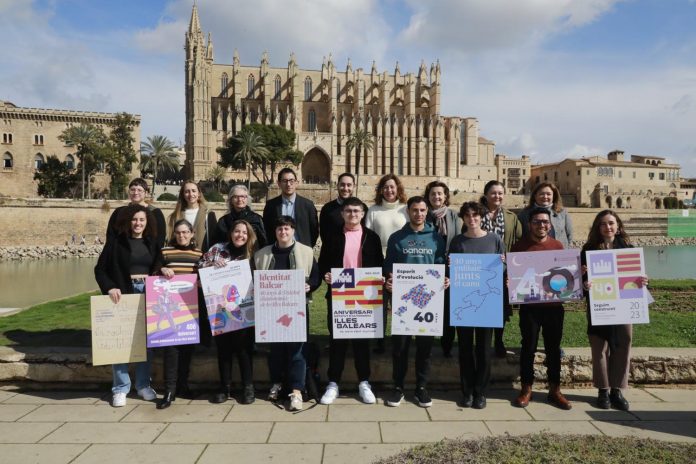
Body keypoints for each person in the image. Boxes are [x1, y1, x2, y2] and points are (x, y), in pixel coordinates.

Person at [317, 197, 384, 405]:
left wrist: (380, 277)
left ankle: (364, 382)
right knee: (337, 340)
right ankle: (333, 383)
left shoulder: (371, 237)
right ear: (342, 213)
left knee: (361, 342)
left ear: (363, 214)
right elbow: (323, 264)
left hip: (364, 296)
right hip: (340, 295)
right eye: (348, 211)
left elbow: (379, 265)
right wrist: (327, 275)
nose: (352, 214)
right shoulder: (332, 236)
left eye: (356, 211)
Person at [383, 196, 448, 408]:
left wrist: (445, 280)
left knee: (424, 348)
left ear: (426, 211)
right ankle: (398, 387)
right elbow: (389, 268)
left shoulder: (437, 239)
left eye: (422, 210)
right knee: (400, 348)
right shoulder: (397, 238)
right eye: (414, 210)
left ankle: (421, 387)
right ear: (408, 211)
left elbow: (440, 268)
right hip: (404, 302)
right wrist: (390, 282)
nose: (418, 214)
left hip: (428, 302)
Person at [94, 204, 160, 407]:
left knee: (146, 343)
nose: (138, 223)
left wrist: (163, 271)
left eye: (141, 220)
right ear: (128, 222)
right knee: (120, 342)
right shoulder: (116, 244)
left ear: (147, 222)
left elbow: (158, 265)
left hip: (147, 294)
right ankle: (120, 388)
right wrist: (110, 287)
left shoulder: (152, 243)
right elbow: (100, 270)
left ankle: (142, 384)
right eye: (134, 220)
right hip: (123, 294)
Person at [581, 210, 647, 411]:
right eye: (603, 224)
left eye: (611, 223)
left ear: (618, 225)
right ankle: (603, 390)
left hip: (623, 307)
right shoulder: (588, 250)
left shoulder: (628, 249)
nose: (607, 227)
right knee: (599, 348)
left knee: (623, 345)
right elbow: (580, 281)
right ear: (597, 227)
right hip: (600, 305)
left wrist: (643, 281)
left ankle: (617, 390)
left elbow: (636, 278)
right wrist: (584, 283)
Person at [254, 216, 321, 411]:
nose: (283, 232)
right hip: (271, 308)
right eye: (280, 229)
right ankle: (276, 383)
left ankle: (297, 390)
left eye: (287, 229)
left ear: (293, 231)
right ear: (275, 232)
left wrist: (311, 286)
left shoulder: (307, 253)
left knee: (297, 350)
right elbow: (254, 279)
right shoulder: (261, 255)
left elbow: (315, 277)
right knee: (275, 350)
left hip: (297, 309)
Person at [512, 207, 572, 410]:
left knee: (553, 349)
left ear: (550, 224)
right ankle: (526, 388)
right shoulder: (519, 247)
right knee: (528, 348)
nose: (541, 225)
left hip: (554, 307)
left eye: (545, 222)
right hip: (530, 308)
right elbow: (514, 277)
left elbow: (565, 279)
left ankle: (555, 389)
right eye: (537, 222)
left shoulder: (558, 246)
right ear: (530, 225)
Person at [448, 202, 505, 409]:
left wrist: (503, 266)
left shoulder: (494, 239)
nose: (472, 219)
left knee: (483, 349)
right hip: (464, 301)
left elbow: (502, 266)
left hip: (487, 302)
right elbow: (451, 268)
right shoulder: (457, 241)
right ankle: (467, 391)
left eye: (475, 215)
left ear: (482, 217)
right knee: (464, 349)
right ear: (463, 218)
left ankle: (481, 392)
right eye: (468, 215)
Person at [199, 219, 259, 405]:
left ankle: (248, 387)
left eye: (244, 232)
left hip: (246, 308)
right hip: (219, 308)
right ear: (231, 232)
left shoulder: (254, 254)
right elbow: (200, 268)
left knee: (244, 349)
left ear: (248, 236)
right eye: (237, 231)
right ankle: (224, 387)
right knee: (223, 349)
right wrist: (210, 266)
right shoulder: (217, 250)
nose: (240, 235)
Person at [152, 219, 203, 409]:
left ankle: (183, 385)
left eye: (185, 232)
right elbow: (153, 272)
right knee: (171, 351)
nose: (182, 235)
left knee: (187, 350)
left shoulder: (199, 254)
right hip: (170, 306)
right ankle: (169, 390)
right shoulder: (166, 252)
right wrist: (161, 269)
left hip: (191, 309)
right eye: (178, 232)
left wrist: (200, 282)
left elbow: (203, 277)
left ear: (191, 234)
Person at [365, 174, 408, 353]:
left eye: (392, 187)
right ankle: (379, 342)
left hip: (403, 264)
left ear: (398, 189)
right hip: (379, 264)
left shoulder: (406, 209)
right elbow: (368, 238)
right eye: (386, 187)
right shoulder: (373, 210)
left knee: (402, 305)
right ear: (381, 190)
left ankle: (401, 342)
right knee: (380, 305)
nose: (389, 190)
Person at [479, 180, 522, 357]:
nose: (497, 196)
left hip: (504, 269)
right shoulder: (477, 214)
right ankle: (483, 342)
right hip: (480, 268)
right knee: (481, 305)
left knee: (501, 308)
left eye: (500, 193)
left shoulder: (512, 217)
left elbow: (519, 240)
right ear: (486, 195)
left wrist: (514, 264)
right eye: (493, 193)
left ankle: (498, 340)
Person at [423, 180, 463, 358]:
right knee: (427, 306)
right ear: (428, 196)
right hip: (427, 267)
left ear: (445, 196)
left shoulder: (454, 216)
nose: (436, 197)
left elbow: (461, 239)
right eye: (433, 194)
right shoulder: (423, 215)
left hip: (449, 267)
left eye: (440, 193)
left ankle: (447, 345)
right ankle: (426, 345)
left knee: (448, 308)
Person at [263, 168, 318, 248]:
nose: (288, 184)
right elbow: (267, 229)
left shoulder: (308, 205)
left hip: (301, 251)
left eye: (291, 181)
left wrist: (306, 249)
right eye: (285, 181)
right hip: (278, 251)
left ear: (296, 183)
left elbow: (314, 230)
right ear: (279, 184)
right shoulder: (271, 205)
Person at [106, 178, 167, 247]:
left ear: (146, 193)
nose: (136, 193)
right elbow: (111, 235)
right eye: (132, 190)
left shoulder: (155, 213)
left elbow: (160, 238)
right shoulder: (119, 212)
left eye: (139, 190)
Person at [518, 182, 573, 248]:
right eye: (542, 194)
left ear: (554, 196)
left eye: (548, 194)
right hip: (534, 253)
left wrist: (569, 250)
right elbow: (519, 236)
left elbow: (569, 235)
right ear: (535, 196)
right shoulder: (524, 214)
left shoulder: (562, 213)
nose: (545, 197)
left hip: (560, 253)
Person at [167, 181, 217, 252]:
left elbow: (214, 239)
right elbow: (171, 238)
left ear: (199, 193)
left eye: (193, 191)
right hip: (181, 257)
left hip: (202, 257)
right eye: (187, 192)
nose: (191, 194)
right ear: (183, 195)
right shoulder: (175, 216)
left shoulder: (208, 214)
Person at [319, 173, 366, 244]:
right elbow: (324, 235)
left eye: (349, 185)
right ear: (337, 185)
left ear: (354, 186)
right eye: (342, 185)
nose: (345, 188)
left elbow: (365, 233)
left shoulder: (362, 208)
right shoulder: (327, 209)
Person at [214, 184, 267, 248]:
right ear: (231, 200)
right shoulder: (223, 221)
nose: (239, 199)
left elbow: (263, 243)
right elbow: (217, 243)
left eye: (242, 196)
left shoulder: (257, 219)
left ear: (247, 199)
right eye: (236, 197)